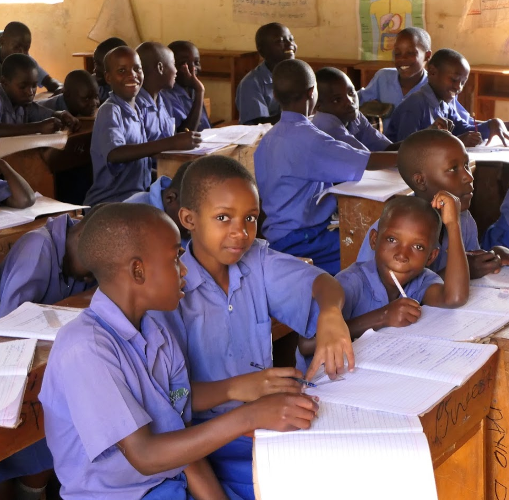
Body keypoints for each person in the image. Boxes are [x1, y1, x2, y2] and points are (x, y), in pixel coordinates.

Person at [39, 202, 319, 500]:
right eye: (175, 259)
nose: (184, 271)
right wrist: (251, 415)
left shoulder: (155, 333)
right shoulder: (86, 349)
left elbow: (183, 442)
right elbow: (145, 455)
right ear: (138, 271)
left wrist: (243, 396)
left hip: (170, 483)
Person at [153, 155, 355, 499]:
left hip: (267, 422)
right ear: (188, 219)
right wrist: (238, 388)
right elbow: (168, 397)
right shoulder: (171, 291)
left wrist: (330, 314)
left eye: (250, 218)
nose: (241, 232)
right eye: (223, 218)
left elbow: (323, 283)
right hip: (212, 438)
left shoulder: (256, 261)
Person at [254, 59, 397, 275]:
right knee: (375, 247)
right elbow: (366, 161)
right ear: (313, 93)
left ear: (275, 96)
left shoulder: (268, 139)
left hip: (276, 234)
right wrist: (410, 157)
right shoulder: (311, 139)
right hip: (304, 239)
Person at [300, 194, 468, 357]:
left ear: (431, 256)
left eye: (418, 247)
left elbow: (454, 298)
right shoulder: (350, 283)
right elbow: (306, 344)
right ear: (374, 240)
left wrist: (453, 225)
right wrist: (383, 317)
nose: (402, 255)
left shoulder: (422, 280)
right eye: (392, 240)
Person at [356, 129, 509, 278]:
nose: (468, 177)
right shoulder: (391, 230)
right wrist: (459, 272)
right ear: (420, 181)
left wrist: (489, 258)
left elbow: (471, 260)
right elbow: (381, 294)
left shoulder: (464, 220)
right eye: (453, 169)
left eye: (466, 165)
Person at [83, 46, 201, 206]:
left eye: (136, 69)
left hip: (137, 198)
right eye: (122, 71)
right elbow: (115, 154)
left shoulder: (137, 110)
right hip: (110, 203)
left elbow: (139, 168)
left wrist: (171, 178)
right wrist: (172, 142)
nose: (132, 75)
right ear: (109, 78)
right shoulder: (110, 110)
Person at [386, 49, 509, 146]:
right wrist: (458, 141)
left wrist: (492, 124)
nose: (458, 87)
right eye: (454, 80)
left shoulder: (445, 103)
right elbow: (407, 149)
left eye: (463, 82)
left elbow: (463, 129)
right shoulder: (414, 105)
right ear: (433, 72)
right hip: (397, 173)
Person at [0, 210, 98, 318]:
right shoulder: (37, 248)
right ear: (82, 238)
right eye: (93, 271)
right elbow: (10, 320)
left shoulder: (92, 251)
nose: (90, 279)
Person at [358, 27, 431, 131]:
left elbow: (458, 119)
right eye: (397, 54)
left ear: (427, 56)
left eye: (410, 53)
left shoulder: (434, 87)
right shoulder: (382, 78)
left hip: (418, 146)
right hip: (385, 145)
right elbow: (356, 100)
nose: (402, 58)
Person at [312, 67, 394, 152]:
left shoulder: (352, 115)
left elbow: (385, 147)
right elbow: (369, 161)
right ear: (318, 105)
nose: (350, 101)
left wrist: (407, 143)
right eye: (337, 100)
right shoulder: (327, 127)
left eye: (351, 93)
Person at [0, 53, 79, 137]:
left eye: (34, 86)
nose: (30, 92)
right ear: (4, 82)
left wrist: (61, 115)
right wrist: (37, 127)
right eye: (23, 87)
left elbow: (41, 114)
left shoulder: (24, 104)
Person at [236, 23, 297, 125]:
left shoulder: (298, 75)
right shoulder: (251, 83)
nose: (289, 44)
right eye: (280, 41)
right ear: (262, 51)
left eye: (291, 39)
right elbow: (258, 124)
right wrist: (295, 115)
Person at [124, 161, 192, 246]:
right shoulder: (135, 219)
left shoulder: (177, 216)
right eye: (190, 217)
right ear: (170, 198)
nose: (193, 225)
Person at [161, 40, 210, 131]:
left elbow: (205, 127)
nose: (192, 68)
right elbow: (185, 133)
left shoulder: (193, 89)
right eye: (184, 63)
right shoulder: (166, 96)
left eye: (196, 62)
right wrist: (200, 92)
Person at [0, 21, 62, 93]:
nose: (22, 53)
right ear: (2, 41)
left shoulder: (23, 58)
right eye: (16, 47)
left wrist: (60, 87)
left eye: (26, 49)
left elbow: (48, 81)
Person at [92, 36, 127, 103]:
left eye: (99, 65)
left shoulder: (127, 91)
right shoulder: (94, 84)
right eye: (95, 63)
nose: (95, 70)